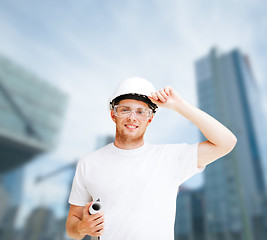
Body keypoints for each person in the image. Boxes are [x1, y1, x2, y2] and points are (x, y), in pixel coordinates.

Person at [66, 77, 237, 240]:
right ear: (114, 114)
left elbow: (226, 142)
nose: (132, 117)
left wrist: (179, 106)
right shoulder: (89, 163)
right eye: (125, 110)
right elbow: (72, 225)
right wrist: (81, 228)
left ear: (150, 119)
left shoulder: (169, 158)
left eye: (141, 112)